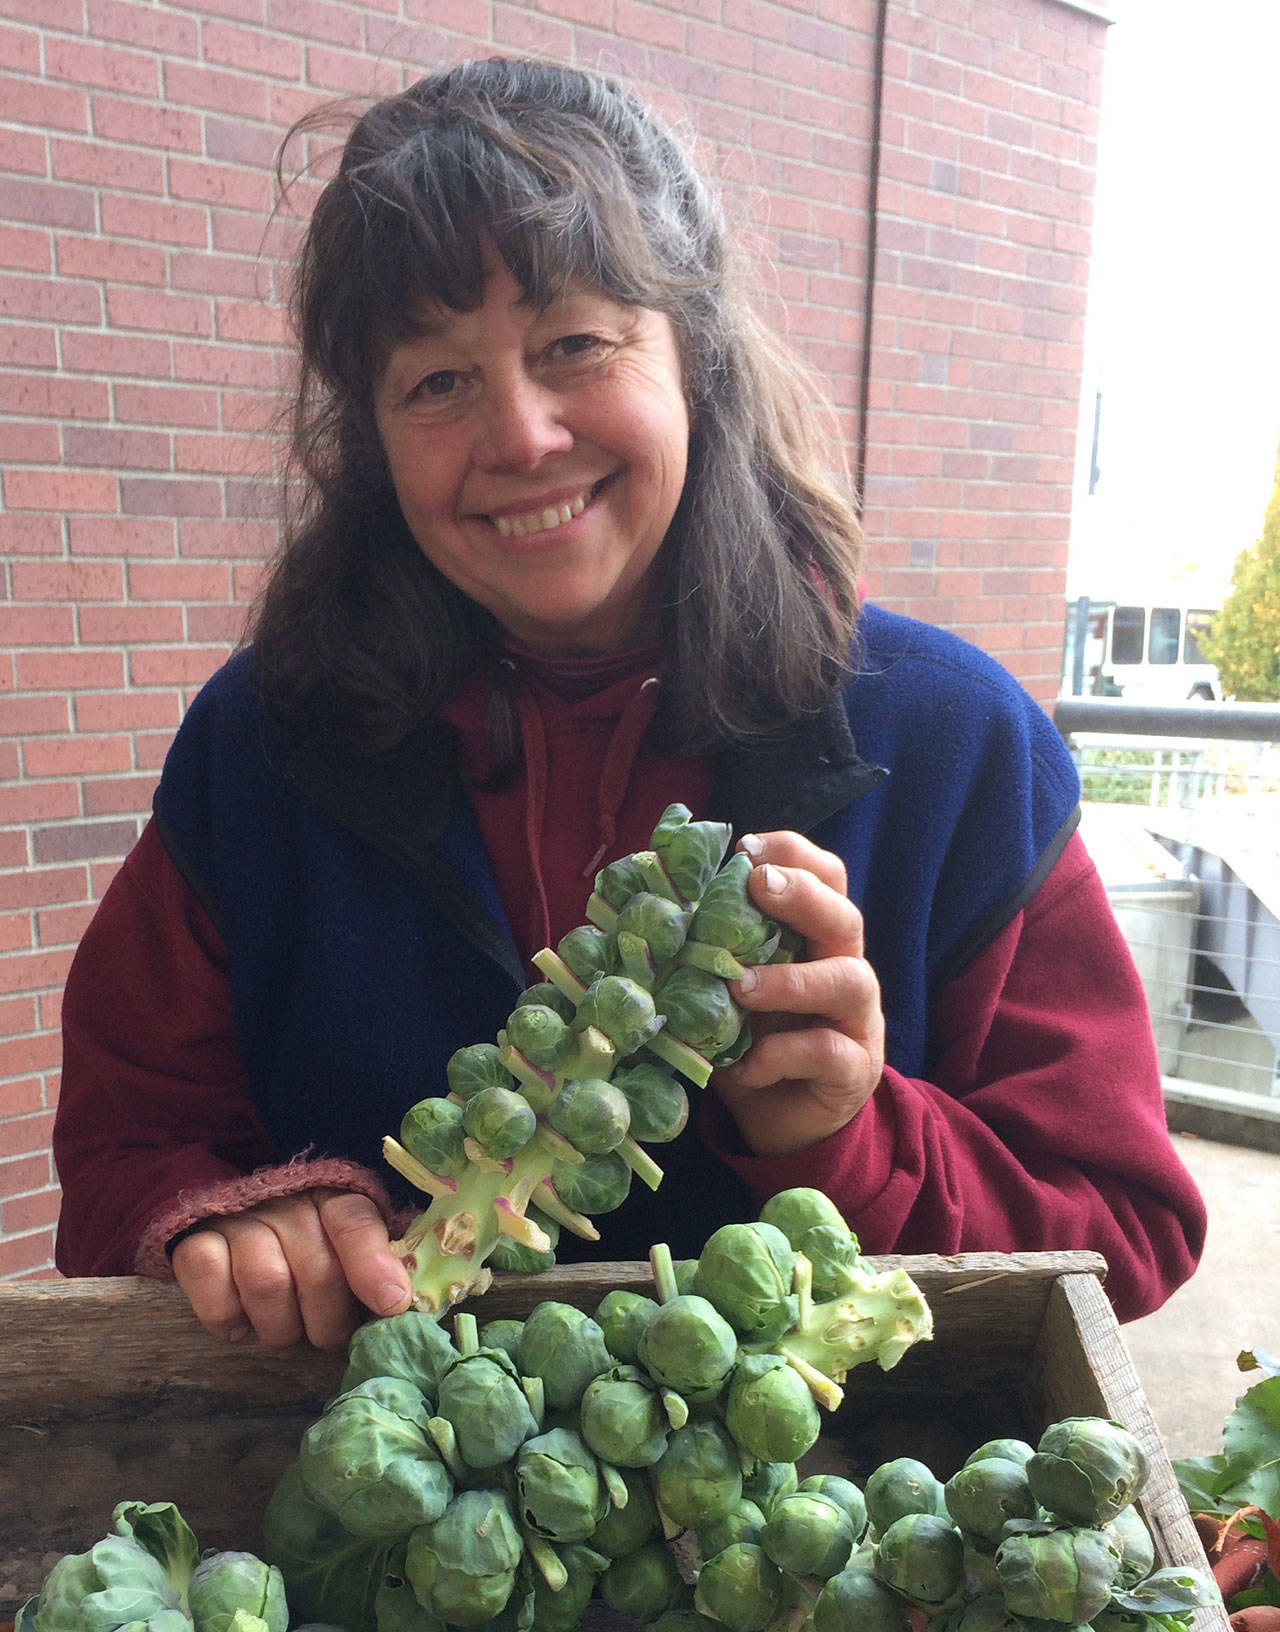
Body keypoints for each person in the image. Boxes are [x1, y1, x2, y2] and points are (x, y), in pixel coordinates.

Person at [52, 56, 1206, 1351]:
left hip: (815, 1535)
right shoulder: (259, 750)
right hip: (359, 1521)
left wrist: (856, 1139)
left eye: (575, 347)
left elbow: (1124, 1235)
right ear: (368, 437)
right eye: (436, 380)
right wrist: (229, 1222)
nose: (523, 434)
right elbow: (120, 1158)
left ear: (695, 357)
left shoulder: (956, 747)